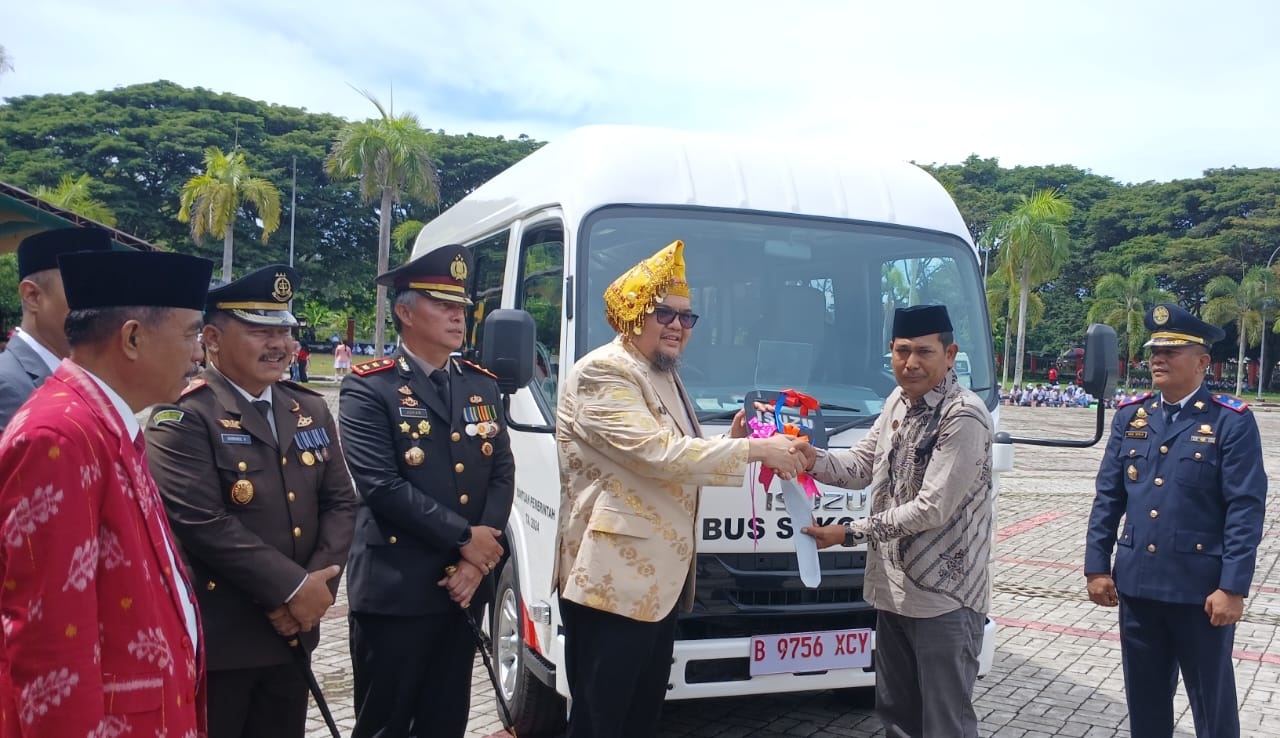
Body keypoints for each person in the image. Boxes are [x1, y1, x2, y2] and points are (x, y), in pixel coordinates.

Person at [554, 240, 806, 738]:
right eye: (664, 313)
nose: (677, 326)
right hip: (613, 584)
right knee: (601, 721)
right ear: (633, 313)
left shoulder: (660, 371)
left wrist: (732, 439)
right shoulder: (606, 372)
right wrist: (757, 450)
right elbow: (658, 453)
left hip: (657, 582)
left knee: (640, 718)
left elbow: (674, 453)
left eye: (687, 317)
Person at [0, 249, 213, 736]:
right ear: (132, 338)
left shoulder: (99, 422)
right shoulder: (58, 436)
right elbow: (49, 642)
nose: (198, 355)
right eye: (190, 335)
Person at [145, 264, 358, 738]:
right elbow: (202, 523)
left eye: (284, 330)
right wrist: (292, 589)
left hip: (295, 634)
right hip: (225, 639)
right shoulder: (184, 415)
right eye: (261, 331)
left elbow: (342, 503)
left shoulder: (309, 407)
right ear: (213, 339)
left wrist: (315, 589)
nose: (279, 344)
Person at [338, 243, 515, 738]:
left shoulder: (481, 385)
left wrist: (476, 560)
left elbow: (501, 472)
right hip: (398, 588)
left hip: (463, 588)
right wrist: (465, 539)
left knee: (445, 720)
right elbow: (381, 485)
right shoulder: (369, 387)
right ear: (405, 312)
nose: (459, 316)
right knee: (386, 724)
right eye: (443, 304)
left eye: (462, 306)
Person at [801, 304, 994, 738]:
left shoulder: (963, 415)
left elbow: (931, 508)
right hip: (893, 592)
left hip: (944, 598)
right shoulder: (898, 401)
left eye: (924, 352)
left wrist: (849, 533)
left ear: (950, 354)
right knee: (897, 718)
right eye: (902, 351)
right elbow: (861, 465)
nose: (911, 363)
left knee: (944, 723)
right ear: (890, 351)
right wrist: (812, 459)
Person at [1085, 303, 1266, 738]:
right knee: (1145, 704)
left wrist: (1232, 587)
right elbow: (1108, 497)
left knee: (1212, 707)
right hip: (1138, 586)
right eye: (1154, 351)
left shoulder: (1230, 421)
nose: (1158, 359)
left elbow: (1245, 509)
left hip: (1200, 593)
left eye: (1171, 351)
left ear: (1202, 362)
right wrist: (1096, 566)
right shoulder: (1131, 415)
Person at [0, 227, 112, 430]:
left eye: (106, 290)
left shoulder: (93, 378)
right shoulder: (7, 386)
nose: (101, 304)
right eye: (85, 288)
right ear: (32, 296)